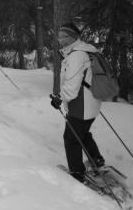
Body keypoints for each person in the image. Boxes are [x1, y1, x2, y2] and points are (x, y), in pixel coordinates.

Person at [50, 23, 105, 183]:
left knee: (71, 138)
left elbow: (73, 85)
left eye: (65, 36)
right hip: (91, 101)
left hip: (81, 105)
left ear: (75, 36)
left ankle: (77, 173)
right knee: (82, 133)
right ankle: (97, 161)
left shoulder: (76, 55)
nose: (61, 40)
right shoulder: (86, 51)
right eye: (59, 37)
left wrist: (60, 98)